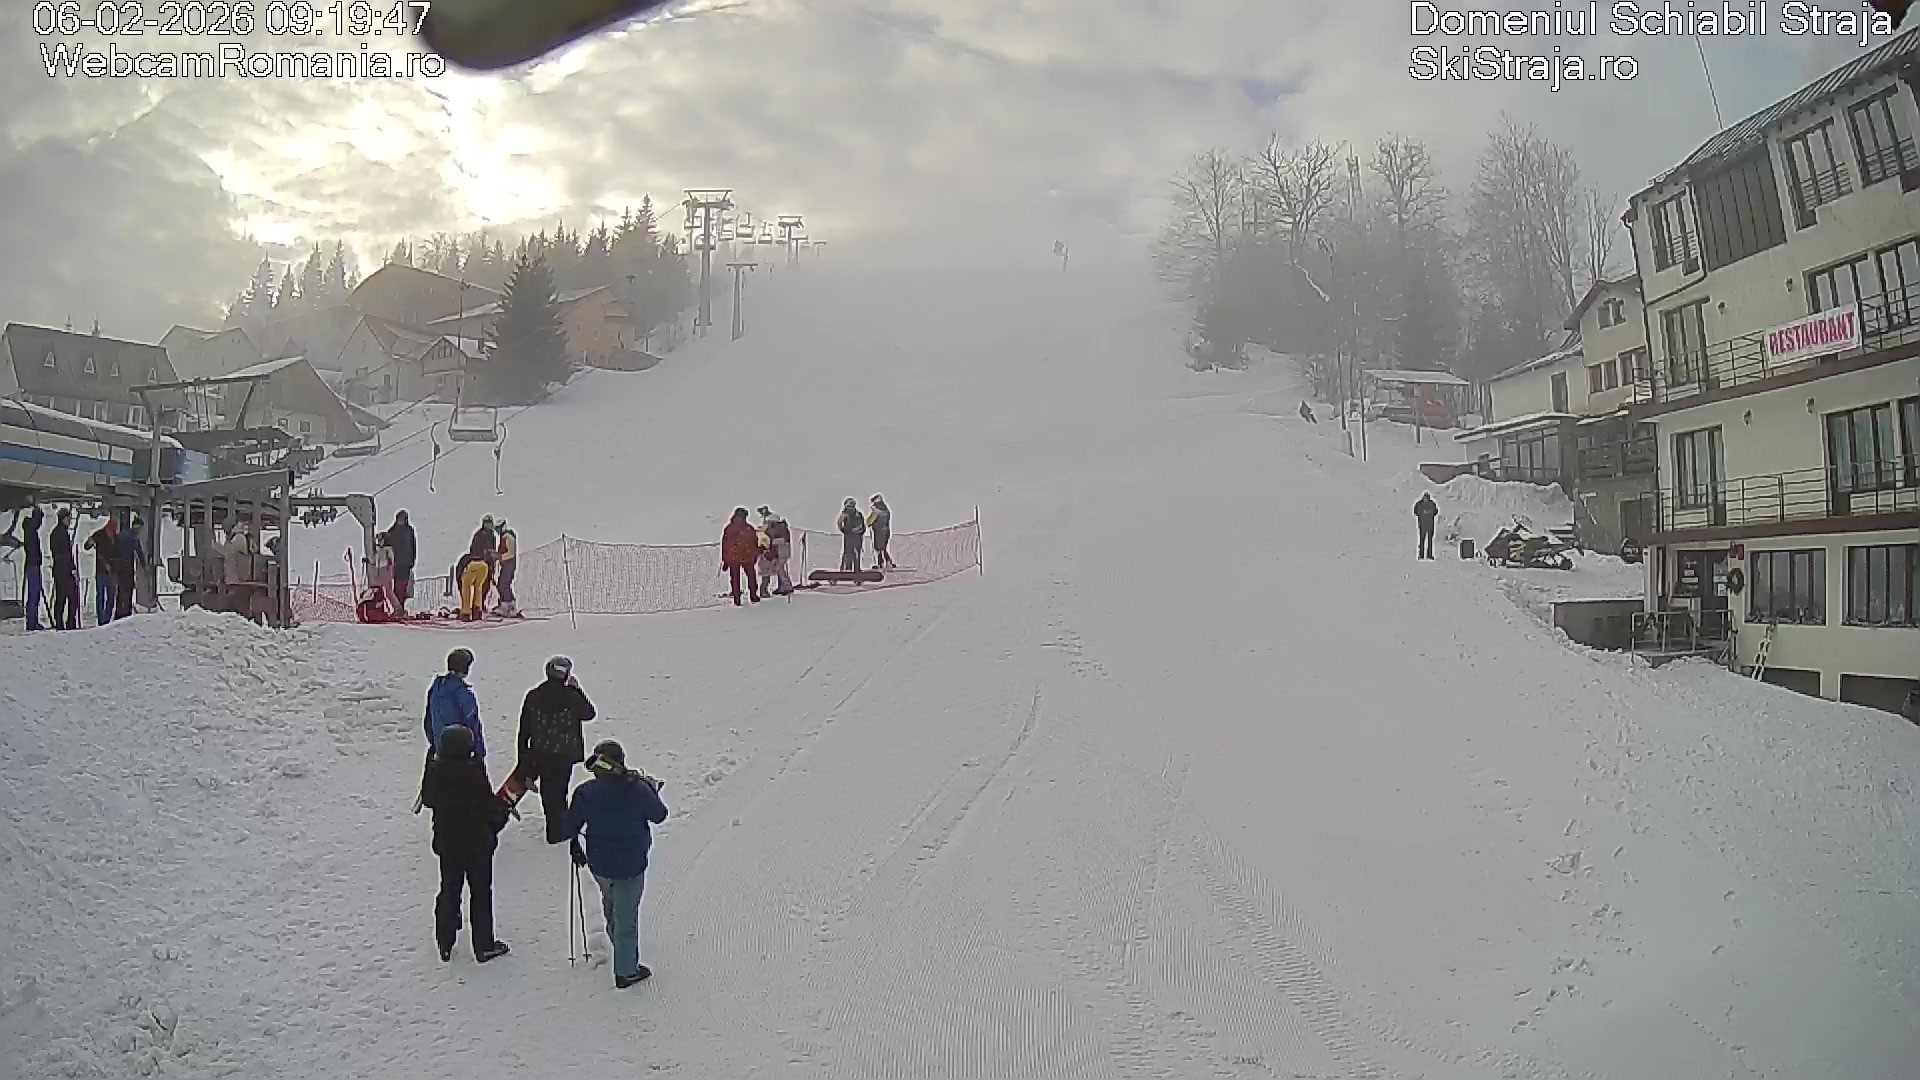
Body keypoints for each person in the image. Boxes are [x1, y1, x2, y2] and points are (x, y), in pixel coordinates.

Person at [564, 739, 669, 989]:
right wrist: (650, 789)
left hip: (599, 863)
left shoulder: (585, 792)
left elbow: (569, 825)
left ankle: (618, 945)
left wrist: (574, 845)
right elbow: (659, 815)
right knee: (627, 918)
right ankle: (626, 972)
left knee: (610, 903)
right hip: (631, 865)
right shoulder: (637, 790)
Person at [422, 723, 511, 964]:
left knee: (449, 889)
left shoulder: (435, 770)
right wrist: (503, 813)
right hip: (477, 845)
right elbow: (488, 806)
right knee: (480, 893)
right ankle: (484, 946)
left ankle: (445, 942)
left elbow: (428, 798)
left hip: (448, 844)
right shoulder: (473, 771)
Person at [515, 655, 596, 844]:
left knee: (548, 792)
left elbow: (524, 730)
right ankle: (558, 831)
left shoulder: (533, 695)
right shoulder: (572, 696)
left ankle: (556, 825)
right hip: (564, 754)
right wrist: (577, 689)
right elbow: (589, 714)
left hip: (540, 752)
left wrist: (523, 760)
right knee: (559, 791)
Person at [721, 507, 762, 605]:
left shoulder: (729, 528)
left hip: (733, 558)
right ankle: (753, 595)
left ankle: (737, 599)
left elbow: (725, 545)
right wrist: (755, 555)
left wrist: (725, 560)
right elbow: (754, 543)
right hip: (747, 557)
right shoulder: (749, 528)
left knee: (735, 579)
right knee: (751, 576)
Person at [83, 517, 117, 626]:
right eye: (110, 531)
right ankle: (101, 620)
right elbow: (86, 546)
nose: (111, 534)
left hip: (112, 571)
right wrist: (89, 542)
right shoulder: (99, 535)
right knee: (100, 596)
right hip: (101, 571)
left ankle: (107, 619)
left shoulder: (115, 537)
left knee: (111, 596)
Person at [50, 508, 79, 630]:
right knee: (71, 597)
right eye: (68, 518)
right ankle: (69, 622)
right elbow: (66, 554)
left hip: (59, 569)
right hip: (64, 570)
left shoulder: (56, 533)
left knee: (61, 597)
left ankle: (60, 622)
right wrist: (72, 567)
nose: (70, 521)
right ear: (63, 519)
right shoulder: (62, 534)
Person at [112, 516, 144, 620]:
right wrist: (144, 566)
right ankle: (126, 613)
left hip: (119, 567)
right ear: (138, 526)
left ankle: (118, 613)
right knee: (128, 590)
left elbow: (114, 550)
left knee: (121, 591)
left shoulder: (121, 535)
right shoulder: (133, 537)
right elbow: (139, 552)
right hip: (128, 567)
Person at [757, 506, 793, 596]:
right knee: (780, 569)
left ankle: (787, 586)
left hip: (780, 552)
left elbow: (773, 541)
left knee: (779, 569)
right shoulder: (783, 529)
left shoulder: (776, 530)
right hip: (783, 552)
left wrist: (768, 546)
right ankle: (782, 587)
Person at [388, 510, 417, 616]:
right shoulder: (392, 531)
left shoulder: (409, 530)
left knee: (404, 586)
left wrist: (412, 560)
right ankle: (397, 608)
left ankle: (401, 607)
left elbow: (413, 546)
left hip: (406, 563)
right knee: (397, 587)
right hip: (396, 563)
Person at [21, 504, 43, 631]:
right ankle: (32, 622)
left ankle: (32, 620)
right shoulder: (31, 529)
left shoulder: (30, 530)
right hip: (33, 565)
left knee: (34, 594)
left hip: (32, 564)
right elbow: (36, 522)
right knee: (34, 594)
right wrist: (38, 512)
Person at [493, 519, 518, 618]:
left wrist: (499, 557)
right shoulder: (504, 537)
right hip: (506, 563)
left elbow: (511, 553)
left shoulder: (508, 537)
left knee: (504, 584)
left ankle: (507, 606)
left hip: (509, 563)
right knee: (502, 583)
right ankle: (508, 604)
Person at [455, 549, 489, 621]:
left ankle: (466, 613)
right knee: (478, 587)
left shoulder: (460, 573)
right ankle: (477, 612)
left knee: (466, 590)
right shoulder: (467, 558)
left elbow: (461, 588)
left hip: (471, 565)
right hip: (484, 565)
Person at [836, 498, 866, 573]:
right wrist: (845, 531)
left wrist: (861, 531)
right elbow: (839, 523)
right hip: (850, 536)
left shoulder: (858, 514)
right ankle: (847, 569)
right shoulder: (845, 514)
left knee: (856, 553)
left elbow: (863, 524)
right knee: (848, 553)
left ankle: (856, 569)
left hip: (856, 536)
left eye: (852, 506)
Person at [868, 494, 895, 571]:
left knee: (878, 549)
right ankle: (888, 562)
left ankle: (881, 563)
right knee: (884, 548)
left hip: (878, 532)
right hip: (886, 531)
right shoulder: (886, 510)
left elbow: (869, 521)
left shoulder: (876, 512)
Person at [1413, 493, 1440, 560]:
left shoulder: (1432, 504)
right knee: (1422, 540)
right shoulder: (1420, 504)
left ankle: (1429, 555)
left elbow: (1435, 511)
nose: (1426, 499)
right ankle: (1421, 555)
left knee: (1430, 541)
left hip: (1430, 525)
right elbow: (1415, 512)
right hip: (1422, 525)